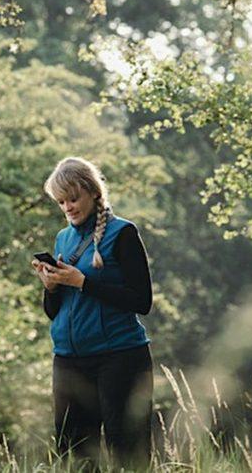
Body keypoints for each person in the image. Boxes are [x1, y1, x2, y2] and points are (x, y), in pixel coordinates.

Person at [31, 157, 154, 467]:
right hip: (69, 361)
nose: (68, 207)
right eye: (61, 202)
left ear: (94, 193)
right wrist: (52, 286)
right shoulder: (63, 238)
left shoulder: (123, 233)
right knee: (74, 457)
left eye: (74, 198)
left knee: (126, 456)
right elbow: (54, 312)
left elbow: (142, 301)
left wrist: (83, 282)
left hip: (120, 358)